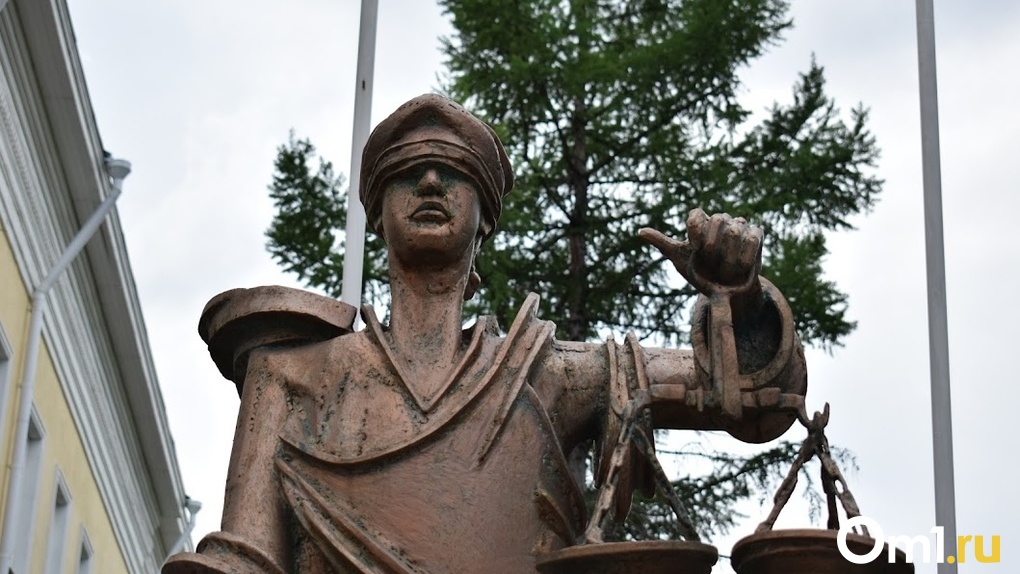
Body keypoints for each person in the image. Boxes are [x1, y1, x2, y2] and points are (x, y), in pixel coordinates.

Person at [164, 94, 806, 574]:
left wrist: (739, 297)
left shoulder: (550, 373)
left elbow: (753, 400)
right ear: (378, 215)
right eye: (408, 172)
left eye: (453, 172)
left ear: (484, 220)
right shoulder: (292, 373)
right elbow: (246, 559)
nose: (430, 183)